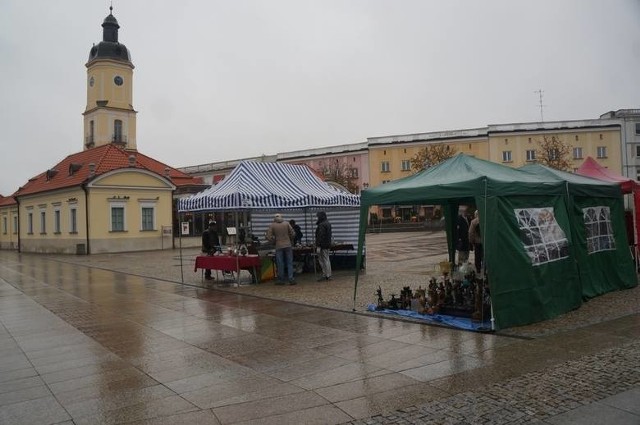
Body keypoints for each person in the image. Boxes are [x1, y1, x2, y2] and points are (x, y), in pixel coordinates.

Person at [266, 213, 296, 285]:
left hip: (278, 246)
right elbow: (293, 233)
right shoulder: (286, 223)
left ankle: (281, 280)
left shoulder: (272, 225)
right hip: (288, 245)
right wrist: (290, 239)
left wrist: (273, 241)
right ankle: (291, 279)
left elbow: (268, 236)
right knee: (289, 262)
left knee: (280, 263)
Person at [315, 211, 332, 281]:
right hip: (327, 244)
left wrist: (318, 244)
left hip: (322, 245)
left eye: (318, 216)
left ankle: (325, 274)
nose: (317, 218)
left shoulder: (321, 225)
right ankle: (328, 274)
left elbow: (320, 236)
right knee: (327, 259)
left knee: (322, 260)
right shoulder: (328, 223)